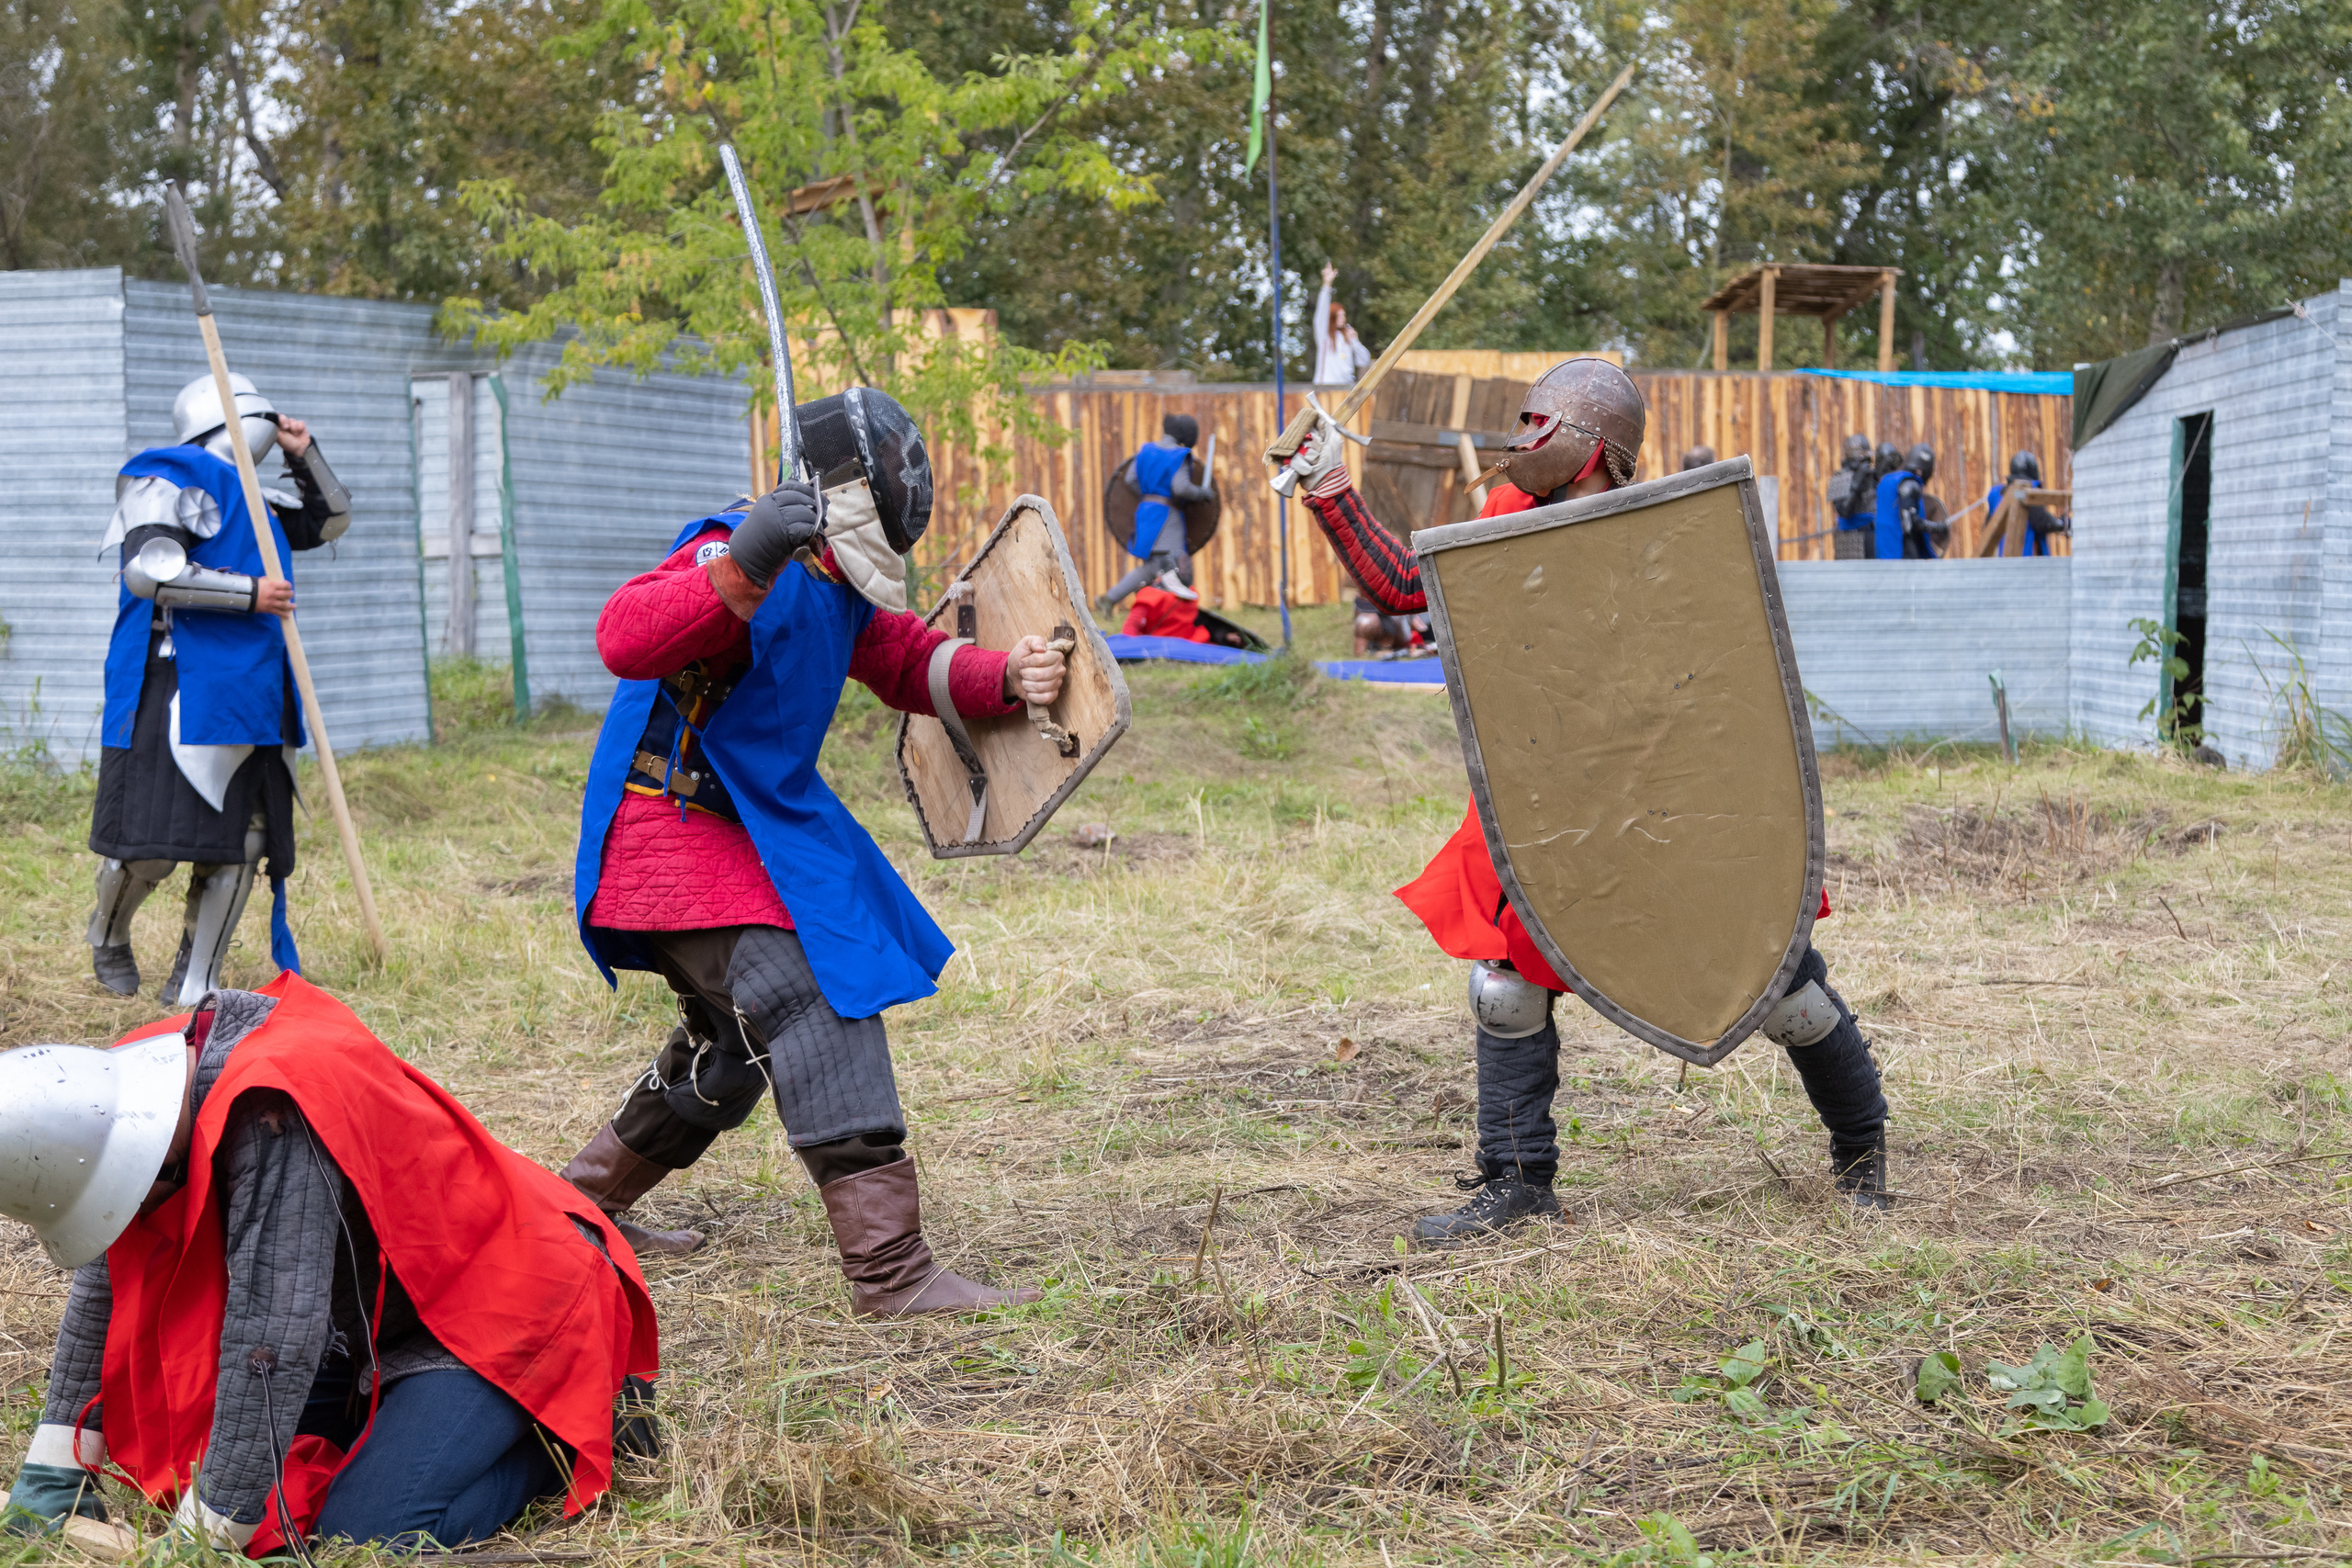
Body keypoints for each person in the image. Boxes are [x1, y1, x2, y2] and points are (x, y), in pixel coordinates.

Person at [1275, 358, 1892, 1243]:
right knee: (1506, 985)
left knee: (1781, 982)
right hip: (1553, 797)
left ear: (1595, 447)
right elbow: (1412, 586)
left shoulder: (1668, 533)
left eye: (1541, 425)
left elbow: (1721, 678)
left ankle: (1862, 1150)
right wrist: (1331, 485)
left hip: (1669, 792)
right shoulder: (1506, 513)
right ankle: (1518, 1181)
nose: (1522, 441)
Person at [559, 388, 1065, 1318]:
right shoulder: (729, 544)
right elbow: (623, 636)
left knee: (732, 1046)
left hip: (749, 835)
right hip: (667, 831)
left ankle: (575, 1211)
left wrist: (1005, 675)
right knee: (810, 994)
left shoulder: (837, 582)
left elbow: (904, 659)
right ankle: (892, 1272)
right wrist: (744, 564)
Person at [0, 975, 660, 1553]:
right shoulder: (133, 1088)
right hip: (373, 1323)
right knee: (253, 1481)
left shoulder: (272, 1105)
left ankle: (571, 1423)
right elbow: (105, 1283)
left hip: (505, 1303)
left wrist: (210, 1535)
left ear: (139, 1159)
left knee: (367, 1530)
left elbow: (274, 1331)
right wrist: (55, 1464)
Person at [87, 373, 353, 1005]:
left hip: (255, 684)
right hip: (175, 677)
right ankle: (109, 931)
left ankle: (195, 979)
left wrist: (303, 454)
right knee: (151, 846)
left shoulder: (259, 498)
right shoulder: (166, 475)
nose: (271, 427)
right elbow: (150, 570)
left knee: (244, 838)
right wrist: (250, 593)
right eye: (266, 419)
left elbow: (330, 521)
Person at [1099, 413, 1216, 615]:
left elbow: (1130, 479)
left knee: (1152, 568)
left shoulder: (1146, 450)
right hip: (1167, 518)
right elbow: (1181, 488)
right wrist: (1201, 493)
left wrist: (1150, 495)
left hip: (1145, 515)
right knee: (1180, 567)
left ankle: (1110, 599)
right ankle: (1181, 615)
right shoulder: (1179, 455)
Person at [1984, 450, 2066, 557]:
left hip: (2005, 559)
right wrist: (2063, 523)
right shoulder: (2027, 491)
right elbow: (2041, 521)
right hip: (2027, 560)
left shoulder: (1999, 494)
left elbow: (1988, 527)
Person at [1873, 442, 1939, 559]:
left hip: (1884, 553)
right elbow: (1910, 524)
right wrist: (1937, 527)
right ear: (1921, 470)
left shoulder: (1886, 481)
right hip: (1902, 554)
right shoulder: (1910, 485)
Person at [1313, 264, 1372, 387]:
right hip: (1326, 388)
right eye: (1338, 316)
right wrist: (1327, 285)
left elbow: (1364, 360)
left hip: (1346, 389)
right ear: (1332, 317)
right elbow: (1321, 314)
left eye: (1343, 315)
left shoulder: (1347, 338)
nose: (1343, 319)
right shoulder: (1324, 336)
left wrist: (1355, 341)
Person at [1827, 434, 1877, 557]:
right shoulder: (1840, 477)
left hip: (1872, 536)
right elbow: (1843, 511)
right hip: (1849, 538)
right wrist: (1855, 485)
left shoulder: (1873, 476)